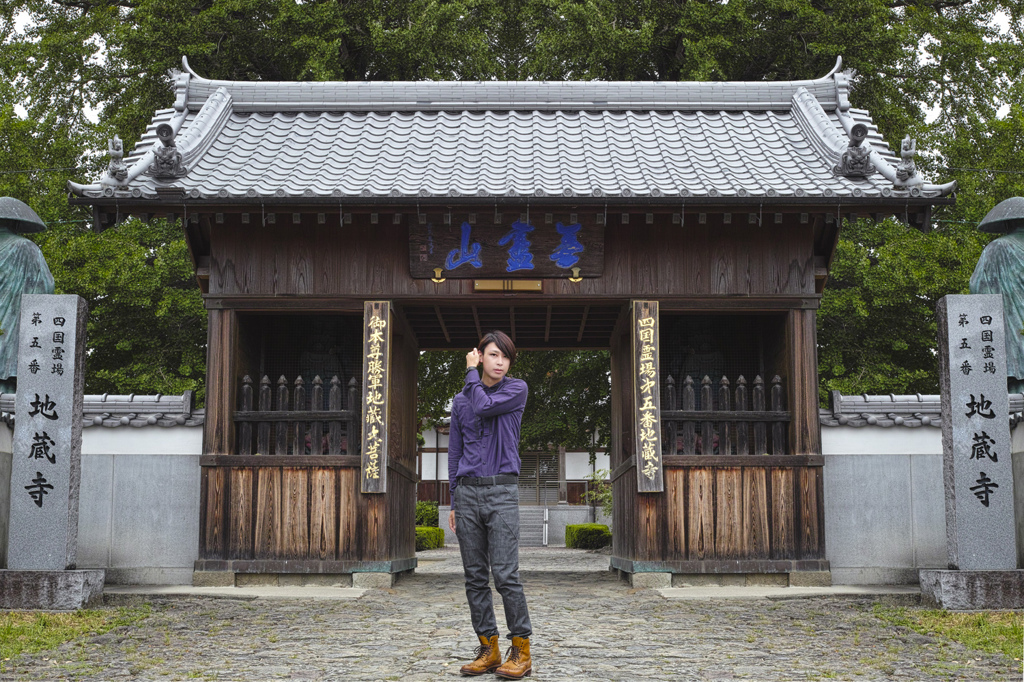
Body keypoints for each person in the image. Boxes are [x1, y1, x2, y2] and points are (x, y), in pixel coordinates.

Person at [448, 330, 533, 679]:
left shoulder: (516, 389)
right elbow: (455, 452)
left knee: (505, 575)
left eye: (505, 357)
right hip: (467, 493)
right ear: (481, 355)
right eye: (493, 355)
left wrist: (470, 373)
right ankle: (489, 648)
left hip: (501, 492)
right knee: (474, 578)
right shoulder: (459, 401)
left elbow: (484, 404)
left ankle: (522, 650)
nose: (500, 362)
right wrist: (454, 499)